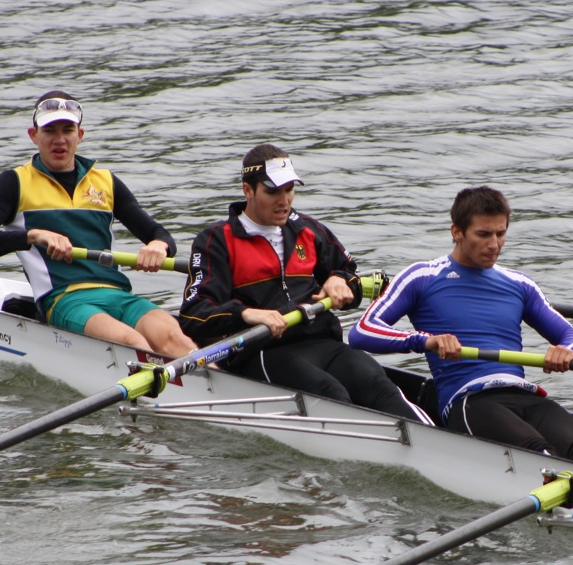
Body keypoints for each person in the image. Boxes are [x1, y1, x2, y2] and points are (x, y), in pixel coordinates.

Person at [347, 186, 573, 464]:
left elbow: (572, 337)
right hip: (471, 402)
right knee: (538, 454)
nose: (494, 244)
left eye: (501, 234)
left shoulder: (520, 284)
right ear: (456, 231)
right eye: (483, 234)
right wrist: (425, 341)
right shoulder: (422, 277)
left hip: (526, 396)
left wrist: (564, 350)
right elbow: (362, 331)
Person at [178, 143, 431, 423]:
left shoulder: (309, 230)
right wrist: (247, 314)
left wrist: (339, 279)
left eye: (289, 190)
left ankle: (436, 448)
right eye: (272, 191)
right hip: (263, 350)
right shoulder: (217, 240)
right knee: (332, 395)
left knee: (381, 389)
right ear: (247, 191)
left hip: (323, 342)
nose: (284, 201)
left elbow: (349, 273)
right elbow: (193, 313)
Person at [0, 90, 197, 357]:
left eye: (67, 129)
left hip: (118, 295)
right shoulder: (14, 183)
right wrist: (33, 236)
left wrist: (158, 246)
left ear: (79, 135)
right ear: (34, 135)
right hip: (64, 300)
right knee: (133, 343)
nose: (59, 140)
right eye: (49, 130)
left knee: (179, 341)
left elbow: (157, 232)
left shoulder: (106, 182)